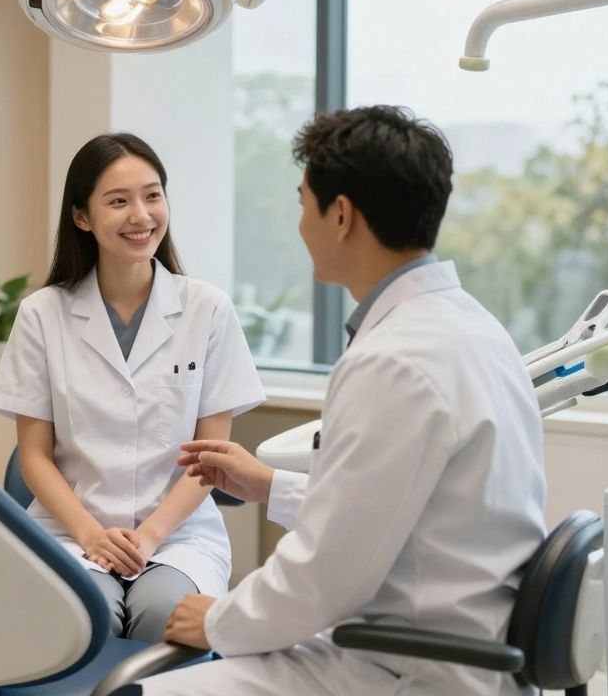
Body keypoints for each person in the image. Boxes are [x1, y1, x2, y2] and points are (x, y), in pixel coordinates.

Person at [136, 106, 547, 695]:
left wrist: (217, 620)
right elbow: (390, 512)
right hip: (455, 640)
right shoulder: (471, 328)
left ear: (342, 215)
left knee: (143, 690)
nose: (299, 222)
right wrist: (269, 485)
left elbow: (327, 577)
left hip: (403, 666)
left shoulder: (394, 361)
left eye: (303, 203)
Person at [0, 132, 266, 643]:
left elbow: (213, 456)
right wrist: (92, 535)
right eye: (119, 201)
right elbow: (34, 456)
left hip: (178, 536)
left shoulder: (208, 309)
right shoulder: (42, 314)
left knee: (166, 618)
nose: (141, 215)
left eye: (152, 195)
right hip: (69, 532)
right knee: (82, 618)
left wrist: (149, 535)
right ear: (82, 217)